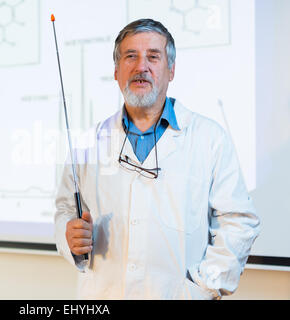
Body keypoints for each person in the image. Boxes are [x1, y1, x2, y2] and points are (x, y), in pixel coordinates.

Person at [54, 18, 260, 300]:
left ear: (171, 70)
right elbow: (66, 209)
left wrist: (203, 287)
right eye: (131, 57)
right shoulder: (88, 144)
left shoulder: (210, 138)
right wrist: (70, 239)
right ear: (116, 71)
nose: (141, 67)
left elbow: (238, 221)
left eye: (153, 56)